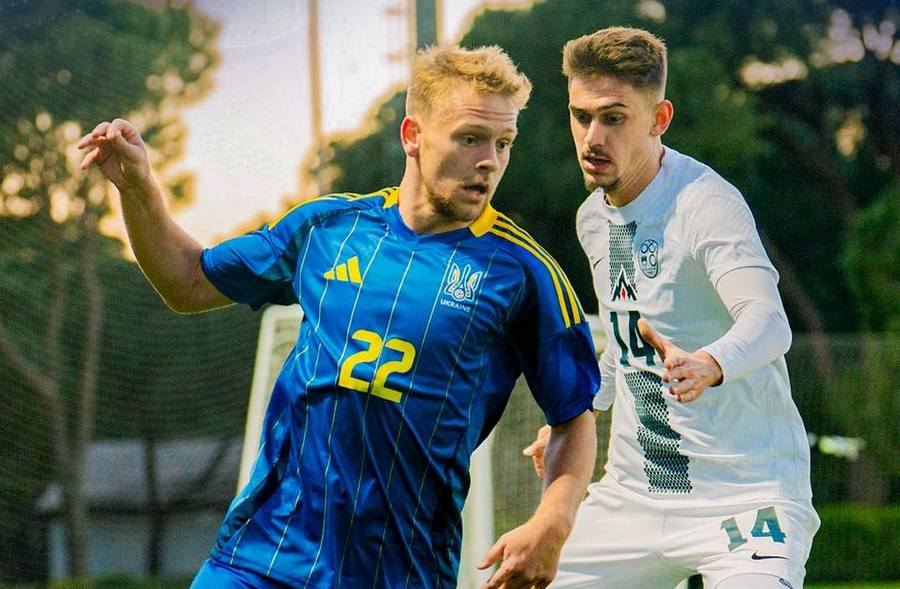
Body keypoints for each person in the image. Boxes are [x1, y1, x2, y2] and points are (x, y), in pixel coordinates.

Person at [79, 44, 599, 589]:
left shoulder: (525, 274)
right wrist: (137, 187)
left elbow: (574, 416)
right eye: (470, 138)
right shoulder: (328, 228)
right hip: (261, 557)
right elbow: (187, 281)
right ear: (413, 135)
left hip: (402, 572)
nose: (489, 160)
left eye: (503, 142)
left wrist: (553, 522)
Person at [523, 27, 819, 588]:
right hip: (634, 499)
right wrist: (578, 414)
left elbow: (768, 322)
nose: (592, 137)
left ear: (659, 119)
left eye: (614, 118)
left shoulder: (706, 203)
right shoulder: (593, 219)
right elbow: (624, 342)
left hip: (744, 498)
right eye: (581, 116)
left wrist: (709, 363)